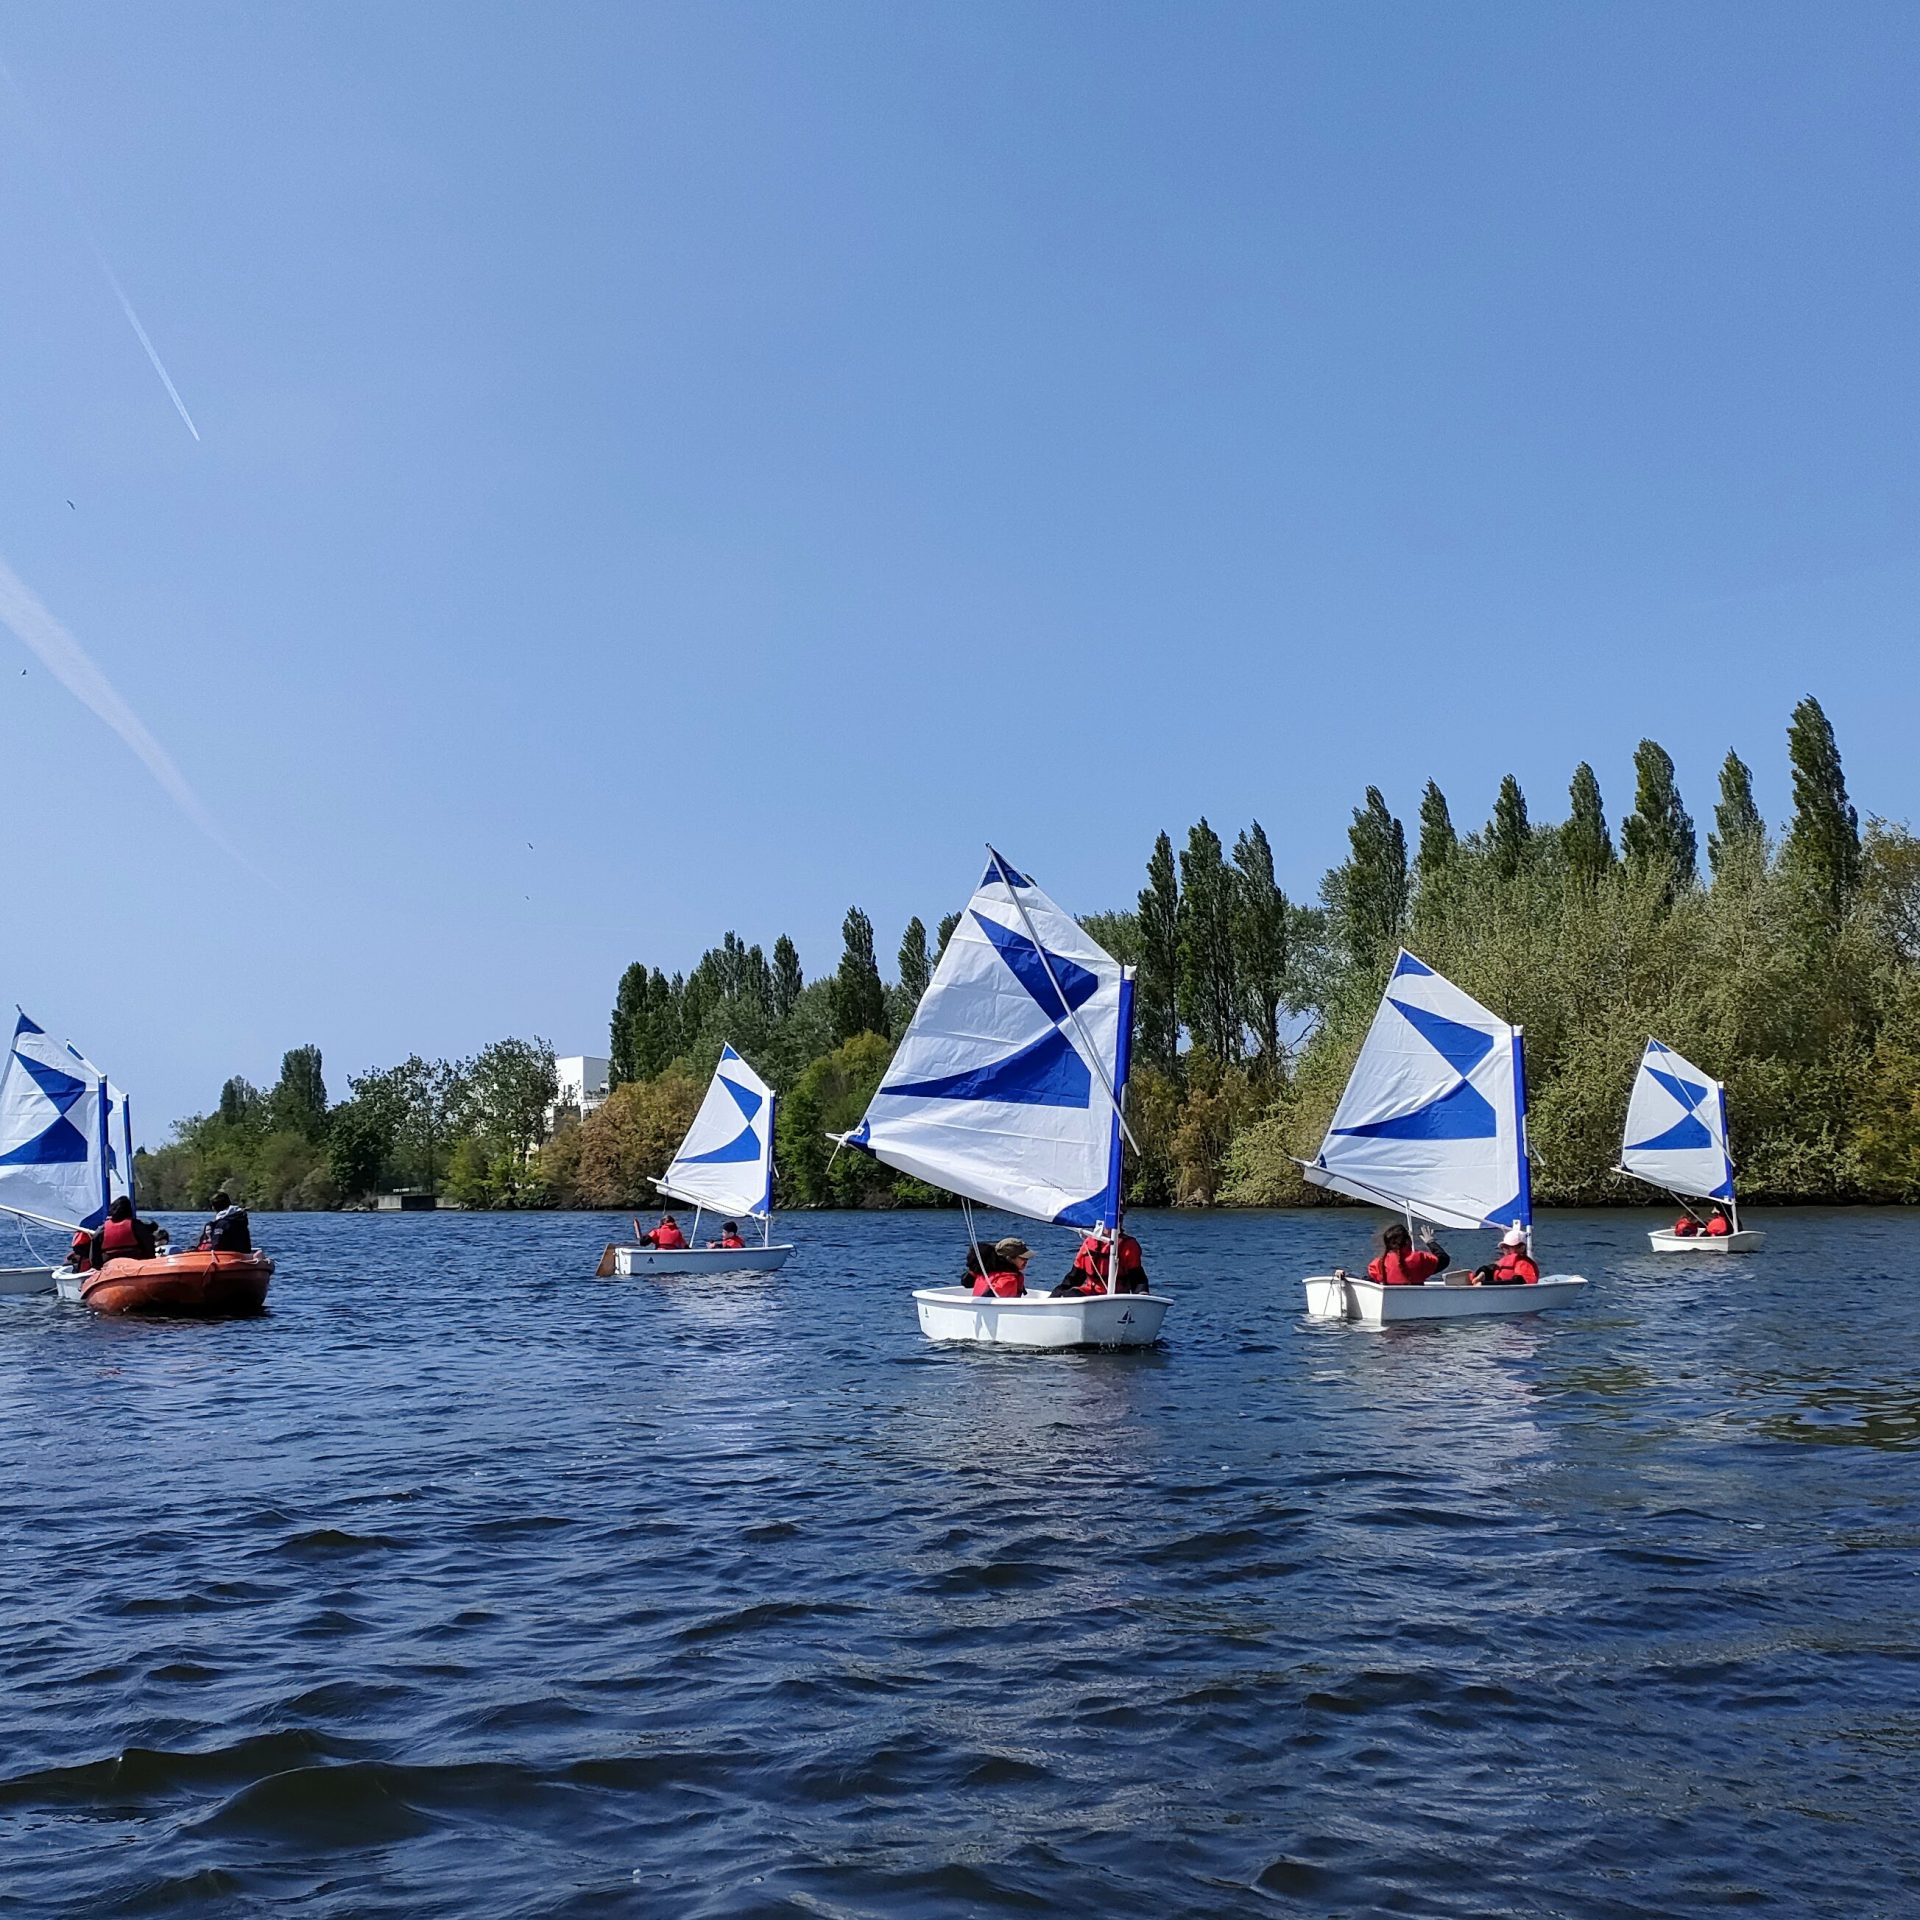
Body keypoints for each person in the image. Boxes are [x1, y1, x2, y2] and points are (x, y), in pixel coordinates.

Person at [1053, 1229, 1150, 1297]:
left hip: (1118, 1297)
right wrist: (1059, 1293)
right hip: (1091, 1294)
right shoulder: (1089, 1243)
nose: (1108, 1228)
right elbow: (1075, 1276)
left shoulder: (1128, 1246)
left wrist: (1142, 1293)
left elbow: (1138, 1278)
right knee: (1069, 1294)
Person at [1349, 1222, 1447, 1287]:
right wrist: (1430, 1241)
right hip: (1416, 1305)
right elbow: (1444, 1259)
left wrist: (1345, 1277)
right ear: (1408, 1241)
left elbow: (1367, 1280)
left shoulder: (1379, 1263)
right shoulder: (1420, 1259)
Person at [92, 1195, 158, 1268]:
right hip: (134, 1265)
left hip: (109, 1267)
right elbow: (149, 1245)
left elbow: (94, 1259)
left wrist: (97, 1267)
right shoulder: (137, 1226)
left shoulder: (101, 1230)